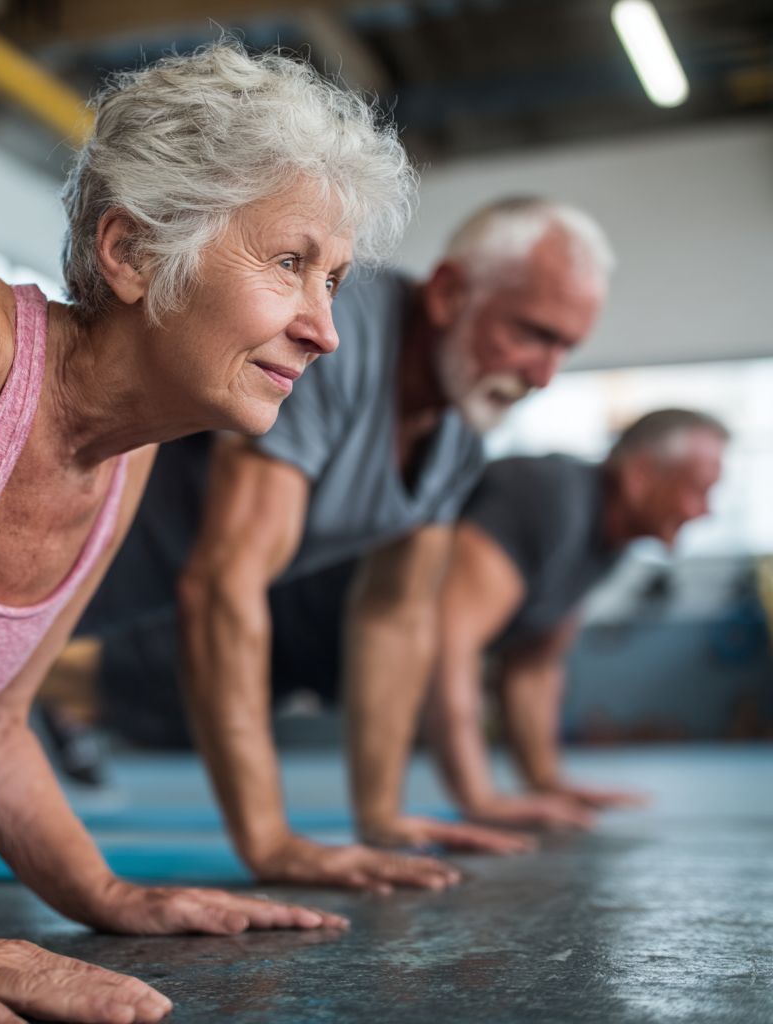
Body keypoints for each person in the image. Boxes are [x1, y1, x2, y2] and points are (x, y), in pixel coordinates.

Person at [0, 44, 418, 1024]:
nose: (326, 328)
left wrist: (101, 894)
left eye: (334, 279)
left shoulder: (125, 452)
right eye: (289, 263)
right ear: (131, 253)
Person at [60, 195, 615, 892]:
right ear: (448, 293)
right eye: (533, 333)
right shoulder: (336, 336)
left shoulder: (458, 431)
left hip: (80, 608)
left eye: (567, 347)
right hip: (15, 569)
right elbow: (224, 580)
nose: (544, 375)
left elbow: (396, 615)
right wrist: (269, 841)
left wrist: (382, 817)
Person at [429, 409, 728, 831]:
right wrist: (480, 799)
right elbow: (448, 644)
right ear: (641, 473)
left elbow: (535, 664)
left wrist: (547, 782)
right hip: (313, 635)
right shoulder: (549, 499)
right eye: (699, 490)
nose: (705, 512)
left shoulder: (610, 540)